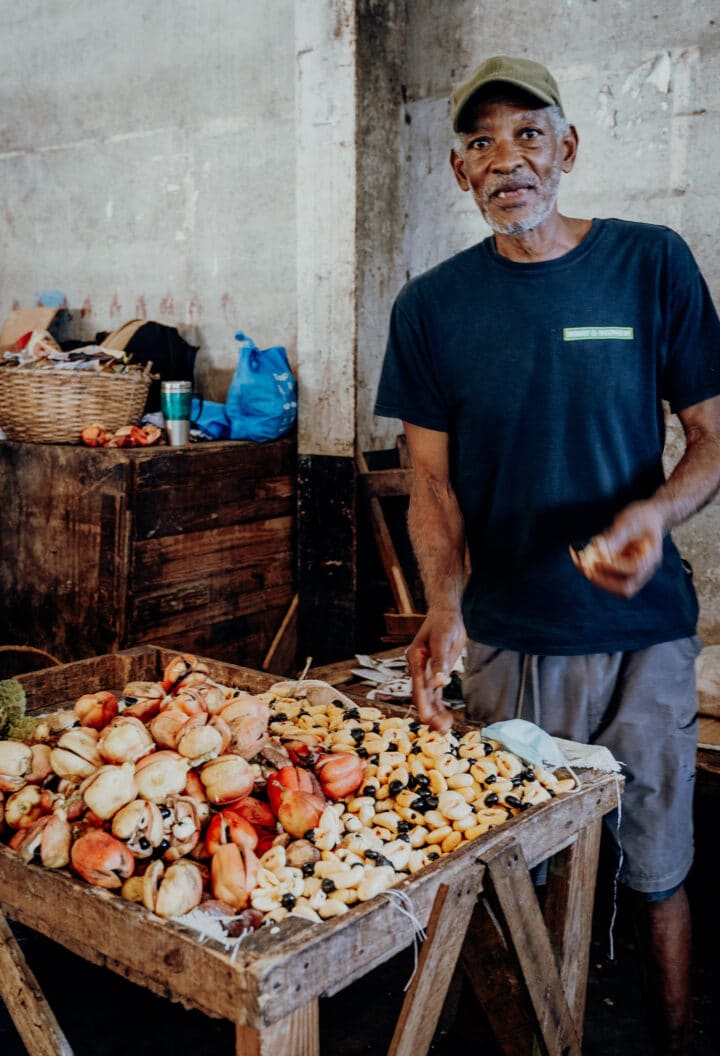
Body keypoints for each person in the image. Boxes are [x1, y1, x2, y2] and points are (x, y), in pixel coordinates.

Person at [374, 54, 720, 1055]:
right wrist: (446, 602)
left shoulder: (649, 262)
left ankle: (678, 1030)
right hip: (514, 635)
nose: (506, 160)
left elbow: (711, 436)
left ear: (567, 149)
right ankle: (535, 1034)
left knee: (659, 862)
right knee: (513, 867)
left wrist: (654, 517)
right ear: (456, 172)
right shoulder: (430, 309)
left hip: (643, 629)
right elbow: (432, 487)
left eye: (528, 134)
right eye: (480, 142)